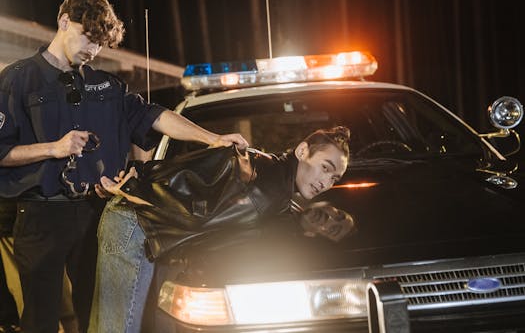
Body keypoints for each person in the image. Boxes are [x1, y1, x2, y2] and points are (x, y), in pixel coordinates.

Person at [0, 0, 247, 333]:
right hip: (41, 216)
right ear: (63, 21)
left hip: (96, 216)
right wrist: (53, 149)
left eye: (100, 44)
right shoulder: (16, 80)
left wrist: (214, 138)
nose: (93, 51)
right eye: (89, 38)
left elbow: (155, 117)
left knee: (99, 319)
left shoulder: (108, 86)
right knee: (39, 320)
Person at [88, 126, 352, 333]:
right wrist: (134, 186)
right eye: (325, 168)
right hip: (135, 222)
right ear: (303, 151)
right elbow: (201, 223)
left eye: (334, 178)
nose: (325, 182)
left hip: (137, 218)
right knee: (118, 327)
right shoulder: (270, 189)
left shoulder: (273, 173)